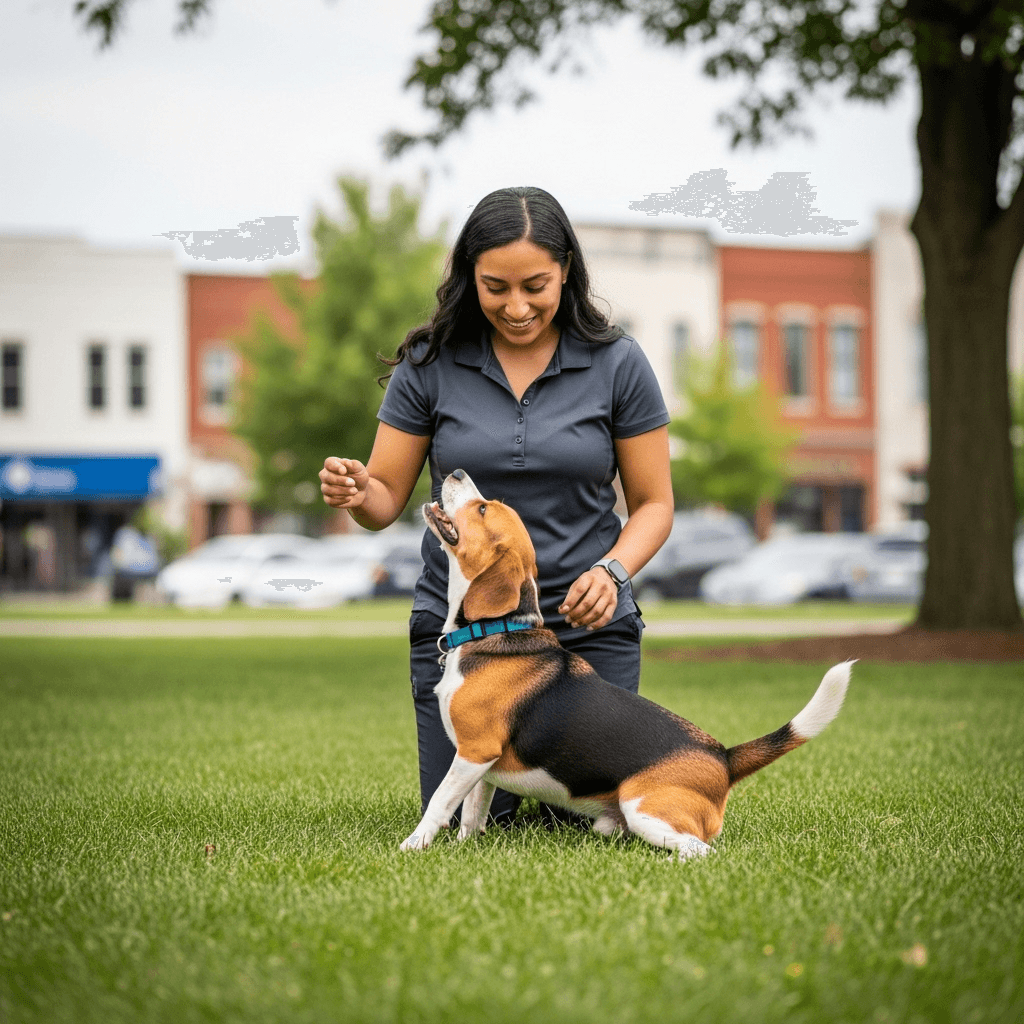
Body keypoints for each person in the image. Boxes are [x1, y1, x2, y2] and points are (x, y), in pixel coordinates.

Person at [320, 186, 674, 828]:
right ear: (468, 278)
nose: (516, 307)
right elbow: (383, 500)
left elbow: (654, 505)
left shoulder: (618, 363)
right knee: (470, 823)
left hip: (583, 631)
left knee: (591, 822)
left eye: (535, 285)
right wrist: (355, 490)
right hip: (466, 638)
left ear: (567, 272)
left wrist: (613, 572)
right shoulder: (429, 364)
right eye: (495, 287)